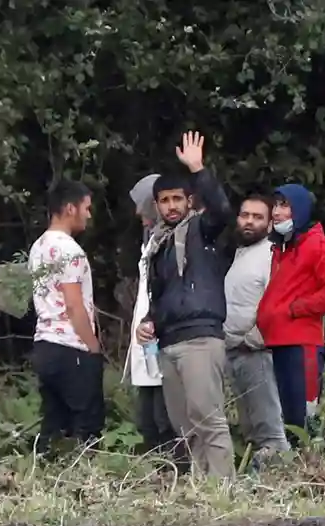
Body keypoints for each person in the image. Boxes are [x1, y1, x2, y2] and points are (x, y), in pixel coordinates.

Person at [135, 131, 235, 479]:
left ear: (190, 201)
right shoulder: (158, 243)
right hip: (169, 341)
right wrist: (148, 322)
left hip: (201, 338)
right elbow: (162, 295)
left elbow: (222, 211)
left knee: (208, 418)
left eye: (178, 198)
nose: (171, 206)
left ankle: (223, 491)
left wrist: (198, 169)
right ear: (156, 205)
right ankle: (201, 488)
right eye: (164, 200)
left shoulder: (202, 231)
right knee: (184, 425)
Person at [256, 184, 325, 440]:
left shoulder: (317, 244)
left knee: (302, 418)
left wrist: (297, 309)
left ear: (300, 209)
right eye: (275, 205)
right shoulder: (283, 247)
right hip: (279, 340)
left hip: (302, 342)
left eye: (284, 205)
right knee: (288, 416)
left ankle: (309, 461)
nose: (276, 212)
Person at [28, 179, 104, 455]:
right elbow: (73, 304)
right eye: (86, 207)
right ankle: (88, 473)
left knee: (54, 422)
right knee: (87, 424)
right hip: (72, 345)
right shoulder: (70, 250)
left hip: (44, 344)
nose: (89, 215)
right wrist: (93, 346)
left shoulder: (38, 246)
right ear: (70, 208)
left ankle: (43, 471)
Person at [224, 194, 290, 463]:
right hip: (234, 350)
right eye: (245, 215)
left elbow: (279, 304)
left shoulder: (272, 255)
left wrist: (254, 339)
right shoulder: (241, 252)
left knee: (268, 428)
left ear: (270, 224)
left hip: (257, 352)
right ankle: (256, 476)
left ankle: (281, 476)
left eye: (257, 217)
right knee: (250, 425)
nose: (249, 221)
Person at [122, 174, 177, 455]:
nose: (137, 214)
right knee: (147, 415)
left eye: (142, 206)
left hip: (163, 334)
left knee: (165, 414)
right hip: (146, 337)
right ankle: (154, 466)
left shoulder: (174, 240)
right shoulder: (151, 239)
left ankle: (172, 466)